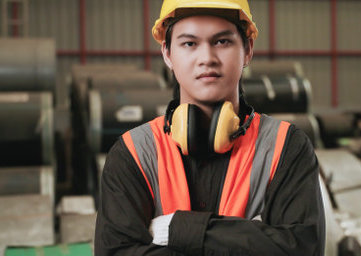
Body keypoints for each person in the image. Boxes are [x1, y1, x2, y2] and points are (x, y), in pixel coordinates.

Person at [95, 0, 325, 255]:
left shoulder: (285, 148)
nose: (207, 59)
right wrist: (251, 238)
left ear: (247, 49)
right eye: (189, 44)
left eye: (222, 42)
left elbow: (302, 248)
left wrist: (178, 228)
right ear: (167, 53)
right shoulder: (133, 154)